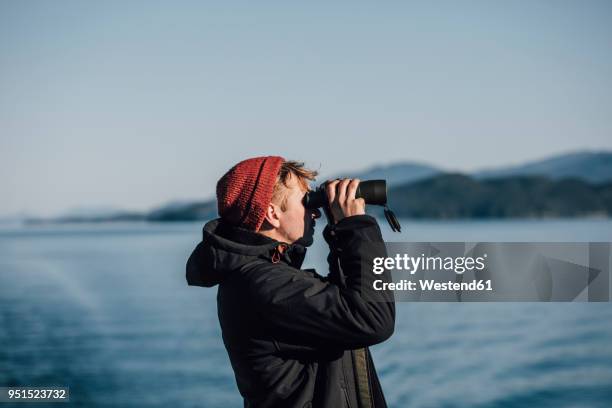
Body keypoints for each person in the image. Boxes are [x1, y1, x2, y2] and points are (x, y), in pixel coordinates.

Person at [186, 156, 395, 408]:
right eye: (306, 201)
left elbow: (348, 300)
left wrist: (341, 230)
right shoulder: (262, 285)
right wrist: (355, 226)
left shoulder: (267, 277)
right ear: (272, 214)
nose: (316, 212)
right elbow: (372, 318)